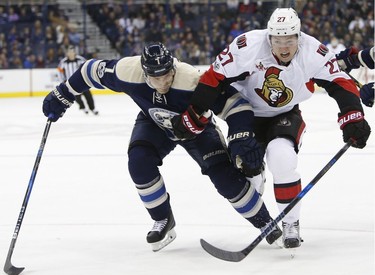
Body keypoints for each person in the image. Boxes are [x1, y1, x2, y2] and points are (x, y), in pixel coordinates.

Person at [42, 42, 283, 252]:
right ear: (145, 72)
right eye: (155, 78)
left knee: (223, 177)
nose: (162, 82)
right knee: (139, 162)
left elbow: (235, 103)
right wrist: (62, 94)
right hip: (154, 122)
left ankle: (265, 222)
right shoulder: (127, 71)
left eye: (167, 75)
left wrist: (241, 135)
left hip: (196, 128)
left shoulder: (190, 79)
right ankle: (162, 220)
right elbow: (88, 71)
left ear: (173, 67)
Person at [171, 8, 371, 249]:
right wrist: (194, 114)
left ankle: (291, 222)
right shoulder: (247, 46)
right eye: (277, 41)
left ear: (299, 36)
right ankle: (255, 173)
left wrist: (352, 118)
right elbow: (213, 78)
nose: (284, 47)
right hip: (244, 115)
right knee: (247, 171)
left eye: (289, 40)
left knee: (282, 159)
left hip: (284, 114)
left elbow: (339, 82)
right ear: (269, 38)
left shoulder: (312, 51)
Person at [57, 45, 99, 115]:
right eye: (69, 52)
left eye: (72, 52)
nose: (70, 53)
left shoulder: (80, 59)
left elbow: (87, 66)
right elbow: (59, 71)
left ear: (74, 53)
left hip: (82, 81)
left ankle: (92, 108)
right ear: (67, 53)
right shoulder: (63, 62)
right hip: (70, 83)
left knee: (88, 95)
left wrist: (88, 78)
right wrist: (63, 81)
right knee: (76, 97)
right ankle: (83, 107)